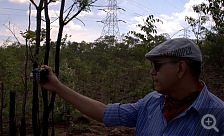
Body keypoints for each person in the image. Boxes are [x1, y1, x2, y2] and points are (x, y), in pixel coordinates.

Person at [39, 38, 224, 135]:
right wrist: (57, 86)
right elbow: (105, 113)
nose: (153, 73)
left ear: (181, 68)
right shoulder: (151, 103)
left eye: (157, 65)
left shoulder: (217, 116)